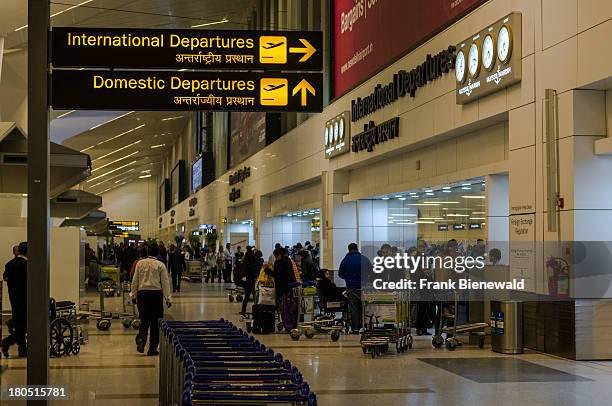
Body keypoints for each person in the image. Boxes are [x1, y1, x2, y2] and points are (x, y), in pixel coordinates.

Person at [131, 244, 171, 356]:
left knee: (144, 320)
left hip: (142, 294)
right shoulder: (160, 265)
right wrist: (168, 298)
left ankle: (142, 339)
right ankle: (152, 348)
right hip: (155, 295)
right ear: (157, 253)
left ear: (148, 252)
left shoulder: (140, 263)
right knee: (155, 322)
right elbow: (165, 283)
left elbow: (135, 281)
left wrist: (133, 295)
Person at [2, 242, 28, 358]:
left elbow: (5, 277)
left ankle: (22, 349)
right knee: (25, 325)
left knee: (20, 325)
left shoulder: (9, 264)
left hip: (14, 299)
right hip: (25, 299)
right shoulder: (27, 265)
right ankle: (7, 341)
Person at [338, 243, 371, 333]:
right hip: (363, 287)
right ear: (357, 249)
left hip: (351, 287)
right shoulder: (364, 259)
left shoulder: (346, 260)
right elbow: (371, 271)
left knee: (354, 308)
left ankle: (355, 328)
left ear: (349, 249)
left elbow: (340, 274)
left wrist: (348, 277)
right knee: (364, 307)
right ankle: (365, 326)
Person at [265, 247, 298, 332]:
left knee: (284, 308)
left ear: (279, 255)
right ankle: (291, 325)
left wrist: (267, 271)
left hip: (283, 289)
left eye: (276, 256)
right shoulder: (288, 260)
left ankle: (288, 325)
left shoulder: (281, 262)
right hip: (289, 288)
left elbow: (277, 274)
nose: (275, 258)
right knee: (290, 307)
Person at [240, 247, 260, 314]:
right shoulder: (253, 262)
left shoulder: (245, 262)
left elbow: (244, 272)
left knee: (247, 296)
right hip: (252, 281)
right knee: (255, 297)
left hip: (247, 281)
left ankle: (243, 310)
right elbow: (255, 271)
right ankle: (256, 310)